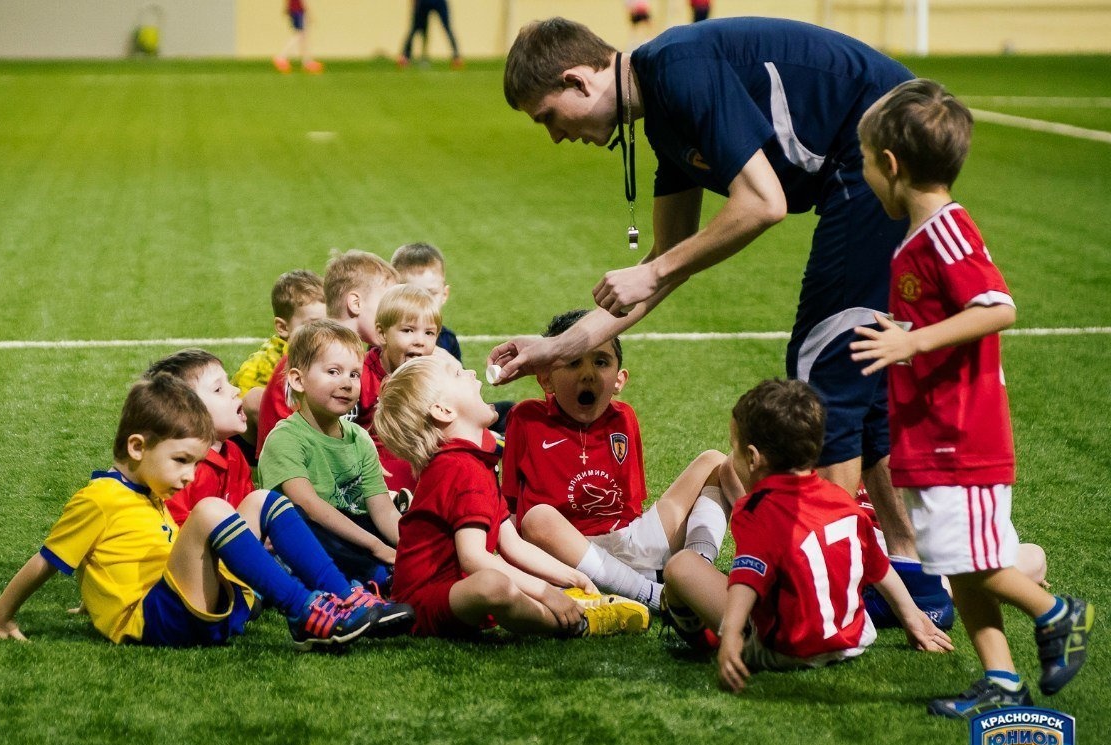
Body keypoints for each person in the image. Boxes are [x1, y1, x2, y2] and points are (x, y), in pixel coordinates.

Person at [493, 17, 923, 586]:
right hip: (879, 145)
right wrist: (557, 346)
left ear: (577, 81)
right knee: (852, 361)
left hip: (883, 143)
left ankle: (830, 585)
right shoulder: (664, 119)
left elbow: (761, 203)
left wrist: (658, 270)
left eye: (546, 115)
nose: (553, 134)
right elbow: (665, 262)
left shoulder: (676, 69)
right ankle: (910, 569)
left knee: (825, 362)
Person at [851, 79, 1093, 717]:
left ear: (892, 166)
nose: (865, 175)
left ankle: (1057, 612)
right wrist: (907, 335)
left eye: (866, 162)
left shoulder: (949, 232)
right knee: (953, 564)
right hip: (928, 436)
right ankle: (1001, 680)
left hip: (964, 436)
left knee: (974, 562)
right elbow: (943, 323)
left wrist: (912, 342)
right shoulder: (919, 238)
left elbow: (997, 307)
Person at [0, 373, 381, 650]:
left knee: (262, 501)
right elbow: (46, 561)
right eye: (181, 460)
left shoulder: (146, 492)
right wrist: (0, 620)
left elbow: (121, 554)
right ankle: (305, 612)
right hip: (152, 619)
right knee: (210, 510)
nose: (188, 475)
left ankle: (344, 596)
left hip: (184, 607)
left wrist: (94, 597)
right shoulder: (99, 497)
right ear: (137, 447)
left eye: (195, 463)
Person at [660, 379, 953, 693]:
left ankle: (701, 637)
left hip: (784, 651)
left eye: (736, 450)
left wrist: (731, 634)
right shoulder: (843, 499)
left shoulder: (756, 509)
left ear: (754, 457)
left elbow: (747, 580)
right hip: (852, 639)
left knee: (681, 566)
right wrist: (912, 617)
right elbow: (878, 565)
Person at [374, 351, 650, 638]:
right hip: (423, 603)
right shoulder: (457, 467)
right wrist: (546, 591)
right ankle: (580, 623)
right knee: (494, 584)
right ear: (443, 411)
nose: (471, 374)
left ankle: (570, 603)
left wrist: (571, 576)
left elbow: (512, 544)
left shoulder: (473, 460)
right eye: (458, 374)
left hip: (455, 594)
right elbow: (474, 558)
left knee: (501, 582)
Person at [146, 348, 416, 635]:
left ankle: (349, 594)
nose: (236, 390)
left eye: (354, 373)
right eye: (219, 388)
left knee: (274, 507)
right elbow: (177, 537)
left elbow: (250, 513)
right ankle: (351, 587)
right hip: (201, 579)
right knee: (301, 518)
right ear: (184, 412)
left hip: (244, 564)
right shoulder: (181, 470)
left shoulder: (234, 455)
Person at [502, 309, 733, 616]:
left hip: (627, 538)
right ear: (547, 380)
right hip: (567, 552)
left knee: (716, 463)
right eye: (573, 362)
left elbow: (631, 506)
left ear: (619, 380)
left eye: (601, 361)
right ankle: (652, 594)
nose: (588, 373)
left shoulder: (625, 418)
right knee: (537, 518)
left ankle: (694, 572)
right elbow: (513, 510)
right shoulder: (526, 418)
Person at [258, 320, 401, 591]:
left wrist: (410, 548)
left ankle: (387, 571)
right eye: (333, 372)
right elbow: (311, 506)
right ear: (298, 380)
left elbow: (382, 509)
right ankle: (377, 576)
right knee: (300, 521)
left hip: (348, 531)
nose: (347, 384)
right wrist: (378, 547)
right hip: (311, 535)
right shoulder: (285, 438)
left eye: (354, 374)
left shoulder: (360, 438)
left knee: (385, 518)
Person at [255, 250, 397, 455]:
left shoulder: (357, 357)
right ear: (355, 303)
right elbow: (286, 445)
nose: (392, 314)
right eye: (386, 305)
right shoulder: (306, 354)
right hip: (295, 468)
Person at [393, 241, 515, 430]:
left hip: (448, 412)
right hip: (418, 420)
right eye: (414, 293)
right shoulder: (393, 340)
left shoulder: (448, 339)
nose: (423, 302)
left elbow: (459, 388)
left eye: (431, 293)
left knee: (510, 411)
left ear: (444, 294)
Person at [231, 270, 326, 463]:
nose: (323, 332)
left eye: (329, 322)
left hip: (298, 428)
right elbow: (237, 413)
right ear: (283, 327)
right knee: (256, 399)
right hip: (254, 441)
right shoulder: (266, 364)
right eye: (313, 325)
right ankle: (286, 465)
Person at [364, 284, 444, 491]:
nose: (420, 341)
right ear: (382, 334)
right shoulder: (360, 377)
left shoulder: (435, 376)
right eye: (408, 330)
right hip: (376, 471)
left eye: (429, 333)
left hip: (422, 464)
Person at [398, 0, 463, 69]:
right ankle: (406, 56)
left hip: (439, 2)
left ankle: (456, 57)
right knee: (416, 27)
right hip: (423, 2)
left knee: (447, 27)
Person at [273, 0, 324, 75]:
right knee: (299, 35)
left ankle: (306, 61)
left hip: (295, 10)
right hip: (297, 10)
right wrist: (308, 13)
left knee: (302, 36)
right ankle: (281, 57)